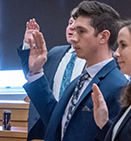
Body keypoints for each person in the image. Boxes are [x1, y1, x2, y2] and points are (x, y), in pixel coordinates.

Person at [23, 0, 127, 141]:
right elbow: (56, 122)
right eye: (74, 29)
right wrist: (36, 72)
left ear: (103, 37)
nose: (74, 38)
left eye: (82, 31)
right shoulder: (79, 80)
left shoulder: (118, 86)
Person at [17, 8, 86, 141]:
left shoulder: (95, 59)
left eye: (76, 25)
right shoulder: (55, 53)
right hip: (45, 124)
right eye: (70, 23)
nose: (71, 28)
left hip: (76, 127)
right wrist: (28, 44)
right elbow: (34, 77)